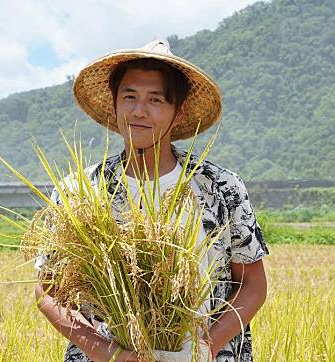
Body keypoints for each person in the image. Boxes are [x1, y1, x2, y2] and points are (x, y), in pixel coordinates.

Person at [35, 40, 268, 362]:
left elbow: (253, 284)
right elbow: (49, 291)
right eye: (129, 97)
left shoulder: (219, 187)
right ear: (115, 106)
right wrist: (108, 353)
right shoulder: (80, 192)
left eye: (155, 100)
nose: (139, 110)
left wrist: (208, 347)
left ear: (179, 112)